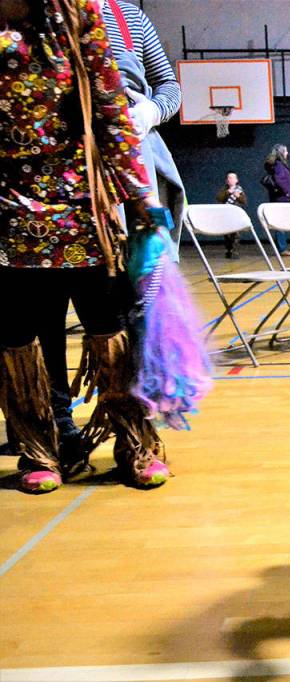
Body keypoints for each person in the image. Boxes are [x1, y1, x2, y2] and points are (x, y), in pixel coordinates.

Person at [0, 0, 171, 491]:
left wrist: (138, 197)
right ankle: (40, 449)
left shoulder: (77, 15)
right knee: (18, 335)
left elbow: (112, 109)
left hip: (81, 204)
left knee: (109, 327)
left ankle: (135, 441)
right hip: (8, 208)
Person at [100, 0, 185, 255]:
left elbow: (168, 84)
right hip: (66, 182)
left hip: (136, 165)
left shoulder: (129, 17)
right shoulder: (38, 18)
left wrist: (153, 111)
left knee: (152, 260)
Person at [261, 144, 290, 256]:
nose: (287, 153)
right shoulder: (279, 165)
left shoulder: (277, 164)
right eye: (286, 151)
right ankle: (282, 248)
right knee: (280, 224)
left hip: (281, 197)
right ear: (281, 152)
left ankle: (282, 247)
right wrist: (287, 192)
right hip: (282, 198)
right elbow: (280, 180)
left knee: (280, 223)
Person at [216, 171, 247, 259]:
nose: (230, 180)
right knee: (227, 234)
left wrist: (238, 196)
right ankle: (228, 250)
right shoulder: (224, 189)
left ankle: (235, 251)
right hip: (226, 215)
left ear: (236, 180)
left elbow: (244, 201)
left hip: (236, 214)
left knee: (236, 234)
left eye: (232, 178)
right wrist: (228, 192)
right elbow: (219, 198)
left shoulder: (239, 189)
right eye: (229, 178)